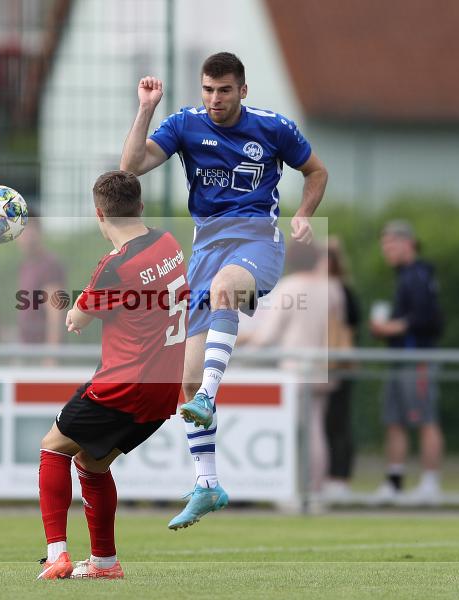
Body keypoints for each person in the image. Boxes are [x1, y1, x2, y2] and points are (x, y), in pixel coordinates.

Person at [120, 51, 328, 529]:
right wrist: (146, 108)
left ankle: (210, 396)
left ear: (243, 90)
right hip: (206, 251)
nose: (215, 100)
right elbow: (130, 168)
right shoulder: (184, 124)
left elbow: (316, 171)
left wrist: (303, 215)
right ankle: (208, 484)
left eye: (225, 91)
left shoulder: (274, 128)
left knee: (225, 289)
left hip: (258, 242)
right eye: (208, 90)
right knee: (185, 380)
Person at [36, 171, 189, 579]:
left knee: (53, 447)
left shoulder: (115, 266)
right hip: (162, 393)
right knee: (92, 463)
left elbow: (77, 320)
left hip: (123, 385)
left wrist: (74, 309)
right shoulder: (169, 244)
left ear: (99, 213)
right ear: (140, 206)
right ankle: (104, 562)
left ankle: (56, 555)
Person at [239, 241, 342, 495]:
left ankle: (296, 490)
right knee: (316, 429)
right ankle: (315, 489)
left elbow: (267, 336)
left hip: (295, 369)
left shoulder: (289, 287)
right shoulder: (332, 288)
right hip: (323, 367)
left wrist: (241, 342)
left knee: (294, 432)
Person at [369, 220, 444, 504]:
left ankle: (430, 483)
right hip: (399, 359)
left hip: (417, 359)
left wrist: (390, 328)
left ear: (408, 243)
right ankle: (395, 482)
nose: (387, 251)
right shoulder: (404, 276)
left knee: (425, 419)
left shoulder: (419, 275)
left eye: (391, 244)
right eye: (384, 246)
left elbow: (428, 318)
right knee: (394, 420)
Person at [322, 237, 360, 499]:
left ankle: (339, 477)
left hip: (336, 364)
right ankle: (325, 476)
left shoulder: (341, 291)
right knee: (322, 423)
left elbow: (347, 329)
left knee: (338, 423)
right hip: (324, 362)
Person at [15, 214, 66, 363]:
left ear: (39, 232)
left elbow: (55, 314)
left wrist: (51, 357)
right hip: (27, 352)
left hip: (41, 355)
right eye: (21, 231)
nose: (26, 236)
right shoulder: (25, 266)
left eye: (30, 230)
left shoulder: (48, 266)